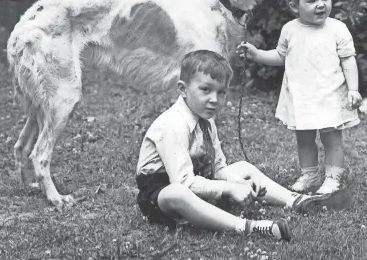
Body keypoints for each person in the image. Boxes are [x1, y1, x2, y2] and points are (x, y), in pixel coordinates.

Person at [136, 50, 334, 242]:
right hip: (162, 193)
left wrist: (238, 182)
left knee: (243, 168)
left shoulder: (206, 121)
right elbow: (183, 183)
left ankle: (296, 200)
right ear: (183, 89)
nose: (214, 100)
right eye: (205, 90)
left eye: (221, 92)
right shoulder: (173, 125)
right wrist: (228, 187)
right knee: (177, 194)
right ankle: (248, 227)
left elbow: (219, 168)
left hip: (199, 178)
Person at [237, 0, 362, 195]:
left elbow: (348, 61)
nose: (321, 4)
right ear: (295, 6)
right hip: (301, 97)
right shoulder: (290, 30)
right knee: (304, 140)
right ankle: (310, 174)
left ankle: (333, 178)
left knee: (331, 139)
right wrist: (257, 54)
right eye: (311, 0)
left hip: (330, 95)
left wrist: (353, 89)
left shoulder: (337, 29)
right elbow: (279, 56)